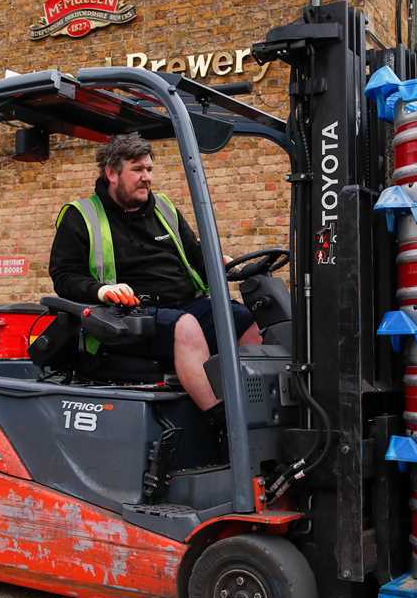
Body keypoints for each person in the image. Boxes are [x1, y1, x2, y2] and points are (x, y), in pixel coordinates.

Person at [50, 133, 261, 414]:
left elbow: (195, 255)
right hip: (126, 318)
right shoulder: (81, 216)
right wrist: (101, 290)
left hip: (181, 303)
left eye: (149, 169)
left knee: (242, 318)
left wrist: (217, 262)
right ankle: (223, 422)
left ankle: (257, 409)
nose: (147, 177)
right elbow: (63, 276)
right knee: (184, 326)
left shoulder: (164, 208)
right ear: (112, 173)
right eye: (137, 169)